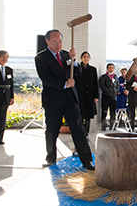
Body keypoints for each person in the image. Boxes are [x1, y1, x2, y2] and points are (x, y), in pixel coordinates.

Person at [35, 29, 94, 170]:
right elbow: (45, 78)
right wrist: (64, 84)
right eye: (55, 42)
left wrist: (74, 61)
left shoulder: (66, 55)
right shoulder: (41, 58)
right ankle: (51, 159)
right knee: (52, 131)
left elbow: (78, 73)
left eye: (60, 41)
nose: (58, 45)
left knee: (78, 130)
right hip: (53, 100)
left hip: (70, 99)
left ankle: (87, 161)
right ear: (47, 41)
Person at [74, 51, 99, 138]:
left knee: (88, 115)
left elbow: (95, 83)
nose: (86, 58)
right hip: (80, 95)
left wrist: (96, 96)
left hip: (90, 96)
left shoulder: (93, 69)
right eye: (84, 57)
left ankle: (86, 133)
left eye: (87, 57)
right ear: (81, 58)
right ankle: (80, 132)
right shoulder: (77, 68)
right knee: (80, 114)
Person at [0, 50, 14, 144]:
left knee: (2, 119)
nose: (5, 58)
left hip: (5, 98)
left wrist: (11, 97)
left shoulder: (9, 70)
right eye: (3, 56)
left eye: (6, 56)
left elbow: (11, 84)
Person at [99, 63, 119, 131]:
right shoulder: (103, 77)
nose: (111, 69)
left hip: (113, 98)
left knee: (113, 112)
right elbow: (102, 86)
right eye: (109, 68)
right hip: (106, 97)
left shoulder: (115, 77)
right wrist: (108, 92)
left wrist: (115, 92)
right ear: (107, 69)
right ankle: (103, 126)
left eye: (112, 68)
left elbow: (118, 86)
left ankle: (112, 126)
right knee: (104, 111)